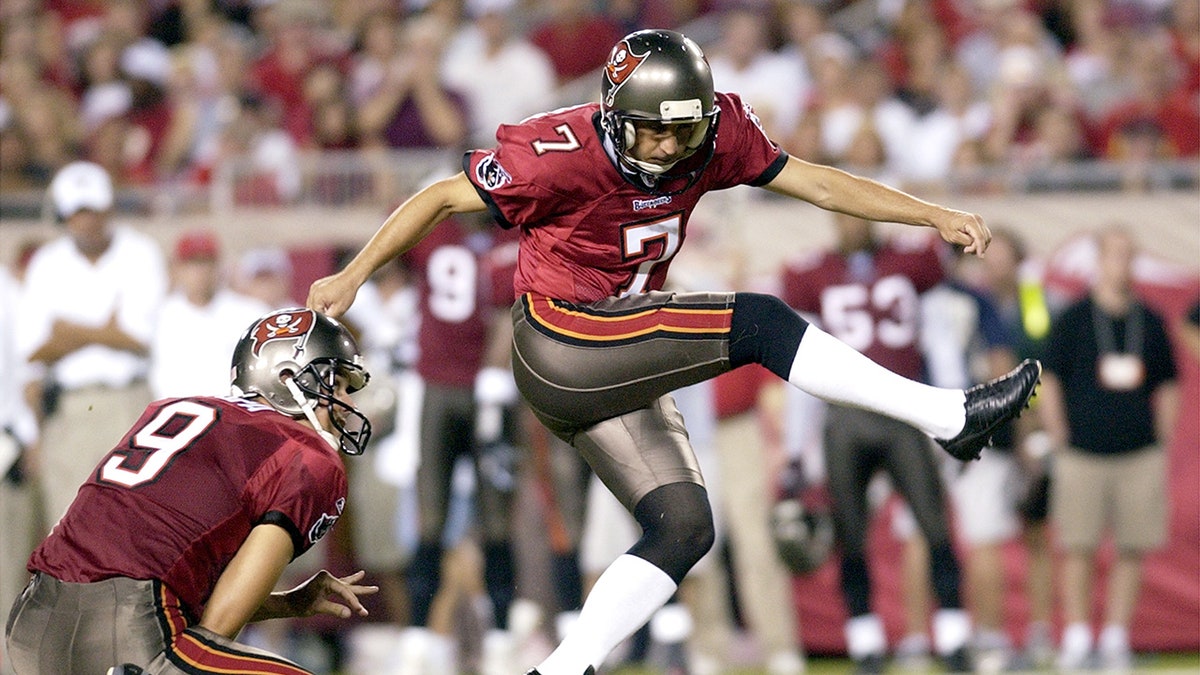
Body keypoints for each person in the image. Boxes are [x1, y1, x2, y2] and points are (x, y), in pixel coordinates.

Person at [306, 29, 1041, 675]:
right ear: (615, 117)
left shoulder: (715, 132)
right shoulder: (560, 153)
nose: (667, 147)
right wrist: (353, 273)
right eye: (652, 132)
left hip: (620, 349)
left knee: (686, 527)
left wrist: (930, 214)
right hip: (561, 337)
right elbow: (436, 198)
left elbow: (814, 180)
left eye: (680, 133)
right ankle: (947, 415)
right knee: (757, 321)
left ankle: (560, 668)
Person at [5, 308, 379, 675]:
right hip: (131, 634)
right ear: (288, 378)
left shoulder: (174, 407)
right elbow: (217, 628)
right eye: (338, 384)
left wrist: (288, 604)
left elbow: (144, 569)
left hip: (33, 624)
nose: (349, 403)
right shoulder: (307, 456)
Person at [780, 213, 973, 673]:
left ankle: (953, 637)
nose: (850, 225)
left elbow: (941, 343)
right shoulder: (811, 273)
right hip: (844, 419)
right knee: (850, 535)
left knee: (935, 525)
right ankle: (864, 641)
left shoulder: (910, 262)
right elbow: (799, 370)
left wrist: (955, 415)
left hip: (903, 411)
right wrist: (795, 448)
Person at [1037, 227, 1179, 672]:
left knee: (1132, 547)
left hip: (1138, 452)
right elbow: (1051, 376)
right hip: (1082, 451)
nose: (1122, 264)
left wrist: (1162, 437)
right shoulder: (1075, 317)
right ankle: (1078, 634)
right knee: (1077, 545)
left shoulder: (1149, 319)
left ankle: (1117, 635)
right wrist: (1057, 431)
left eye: (1128, 255)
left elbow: (1169, 382)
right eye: (1115, 255)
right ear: (1098, 260)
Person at [394, 213, 524, 675]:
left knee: (492, 521)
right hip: (454, 389)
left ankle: (499, 638)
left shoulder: (476, 235)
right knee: (435, 520)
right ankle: (420, 639)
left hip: (474, 390)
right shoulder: (495, 237)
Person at [15, 160, 168, 526]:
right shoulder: (46, 264)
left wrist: (69, 331)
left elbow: (139, 339)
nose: (85, 221)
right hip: (70, 407)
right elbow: (34, 350)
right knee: (71, 523)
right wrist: (105, 329)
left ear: (108, 207)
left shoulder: (140, 252)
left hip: (130, 401)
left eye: (92, 211)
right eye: (76, 213)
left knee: (138, 518)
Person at [149, 229, 270, 399]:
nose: (200, 272)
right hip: (177, 414)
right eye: (192, 264)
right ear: (177, 268)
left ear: (219, 266)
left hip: (231, 414)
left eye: (206, 263)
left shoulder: (249, 313)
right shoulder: (160, 315)